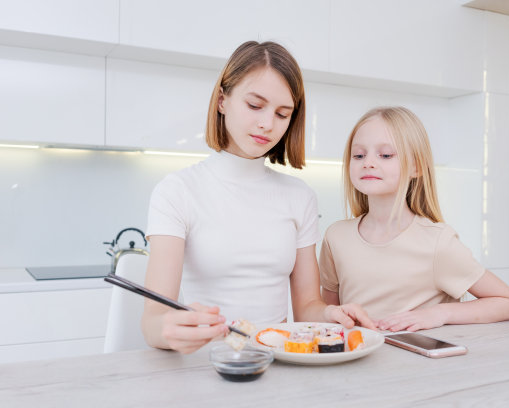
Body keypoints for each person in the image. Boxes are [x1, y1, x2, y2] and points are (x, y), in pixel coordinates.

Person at [141, 41, 374, 354]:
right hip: (211, 363)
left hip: (277, 364)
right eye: (255, 106)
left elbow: (306, 307)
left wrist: (330, 314)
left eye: (282, 113)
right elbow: (153, 321)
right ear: (222, 101)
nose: (267, 124)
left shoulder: (299, 196)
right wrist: (169, 328)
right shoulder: (177, 191)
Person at [319, 106, 509, 332]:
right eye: (358, 155)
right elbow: (330, 315)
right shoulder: (336, 236)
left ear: (415, 167)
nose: (368, 162)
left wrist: (438, 314)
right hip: (356, 362)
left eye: (385, 155)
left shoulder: (437, 242)